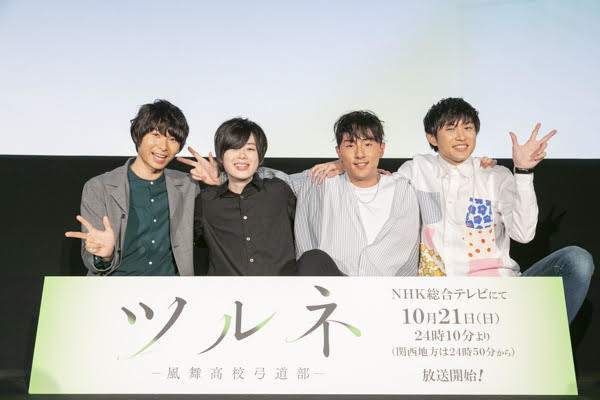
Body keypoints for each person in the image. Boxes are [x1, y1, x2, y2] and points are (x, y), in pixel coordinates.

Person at [395, 97, 593, 323]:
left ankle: (543, 338)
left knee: (577, 259)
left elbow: (523, 234)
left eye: (468, 128)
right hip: (439, 302)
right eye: (451, 128)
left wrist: (523, 172)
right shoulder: (417, 170)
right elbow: (383, 193)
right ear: (432, 137)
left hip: (498, 295)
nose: (461, 136)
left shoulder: (495, 176)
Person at [275, 111, 420, 276]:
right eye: (350, 146)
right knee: (313, 259)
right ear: (339, 152)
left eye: (368, 144)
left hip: (390, 288)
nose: (360, 154)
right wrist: (339, 164)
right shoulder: (322, 180)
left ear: (381, 149)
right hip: (329, 286)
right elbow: (271, 178)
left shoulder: (404, 189)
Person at [186, 118, 336, 275]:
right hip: (230, 289)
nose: (242, 156)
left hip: (283, 287)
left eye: (250, 149)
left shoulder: (279, 190)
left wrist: (339, 163)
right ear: (221, 157)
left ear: (260, 157)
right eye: (234, 148)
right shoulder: (206, 201)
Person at [65, 99, 197, 276]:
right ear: (138, 136)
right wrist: (103, 256)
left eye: (172, 139)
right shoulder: (99, 187)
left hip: (170, 288)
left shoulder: (188, 185)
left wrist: (219, 179)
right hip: (116, 286)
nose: (163, 147)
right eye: (156, 135)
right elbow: (92, 259)